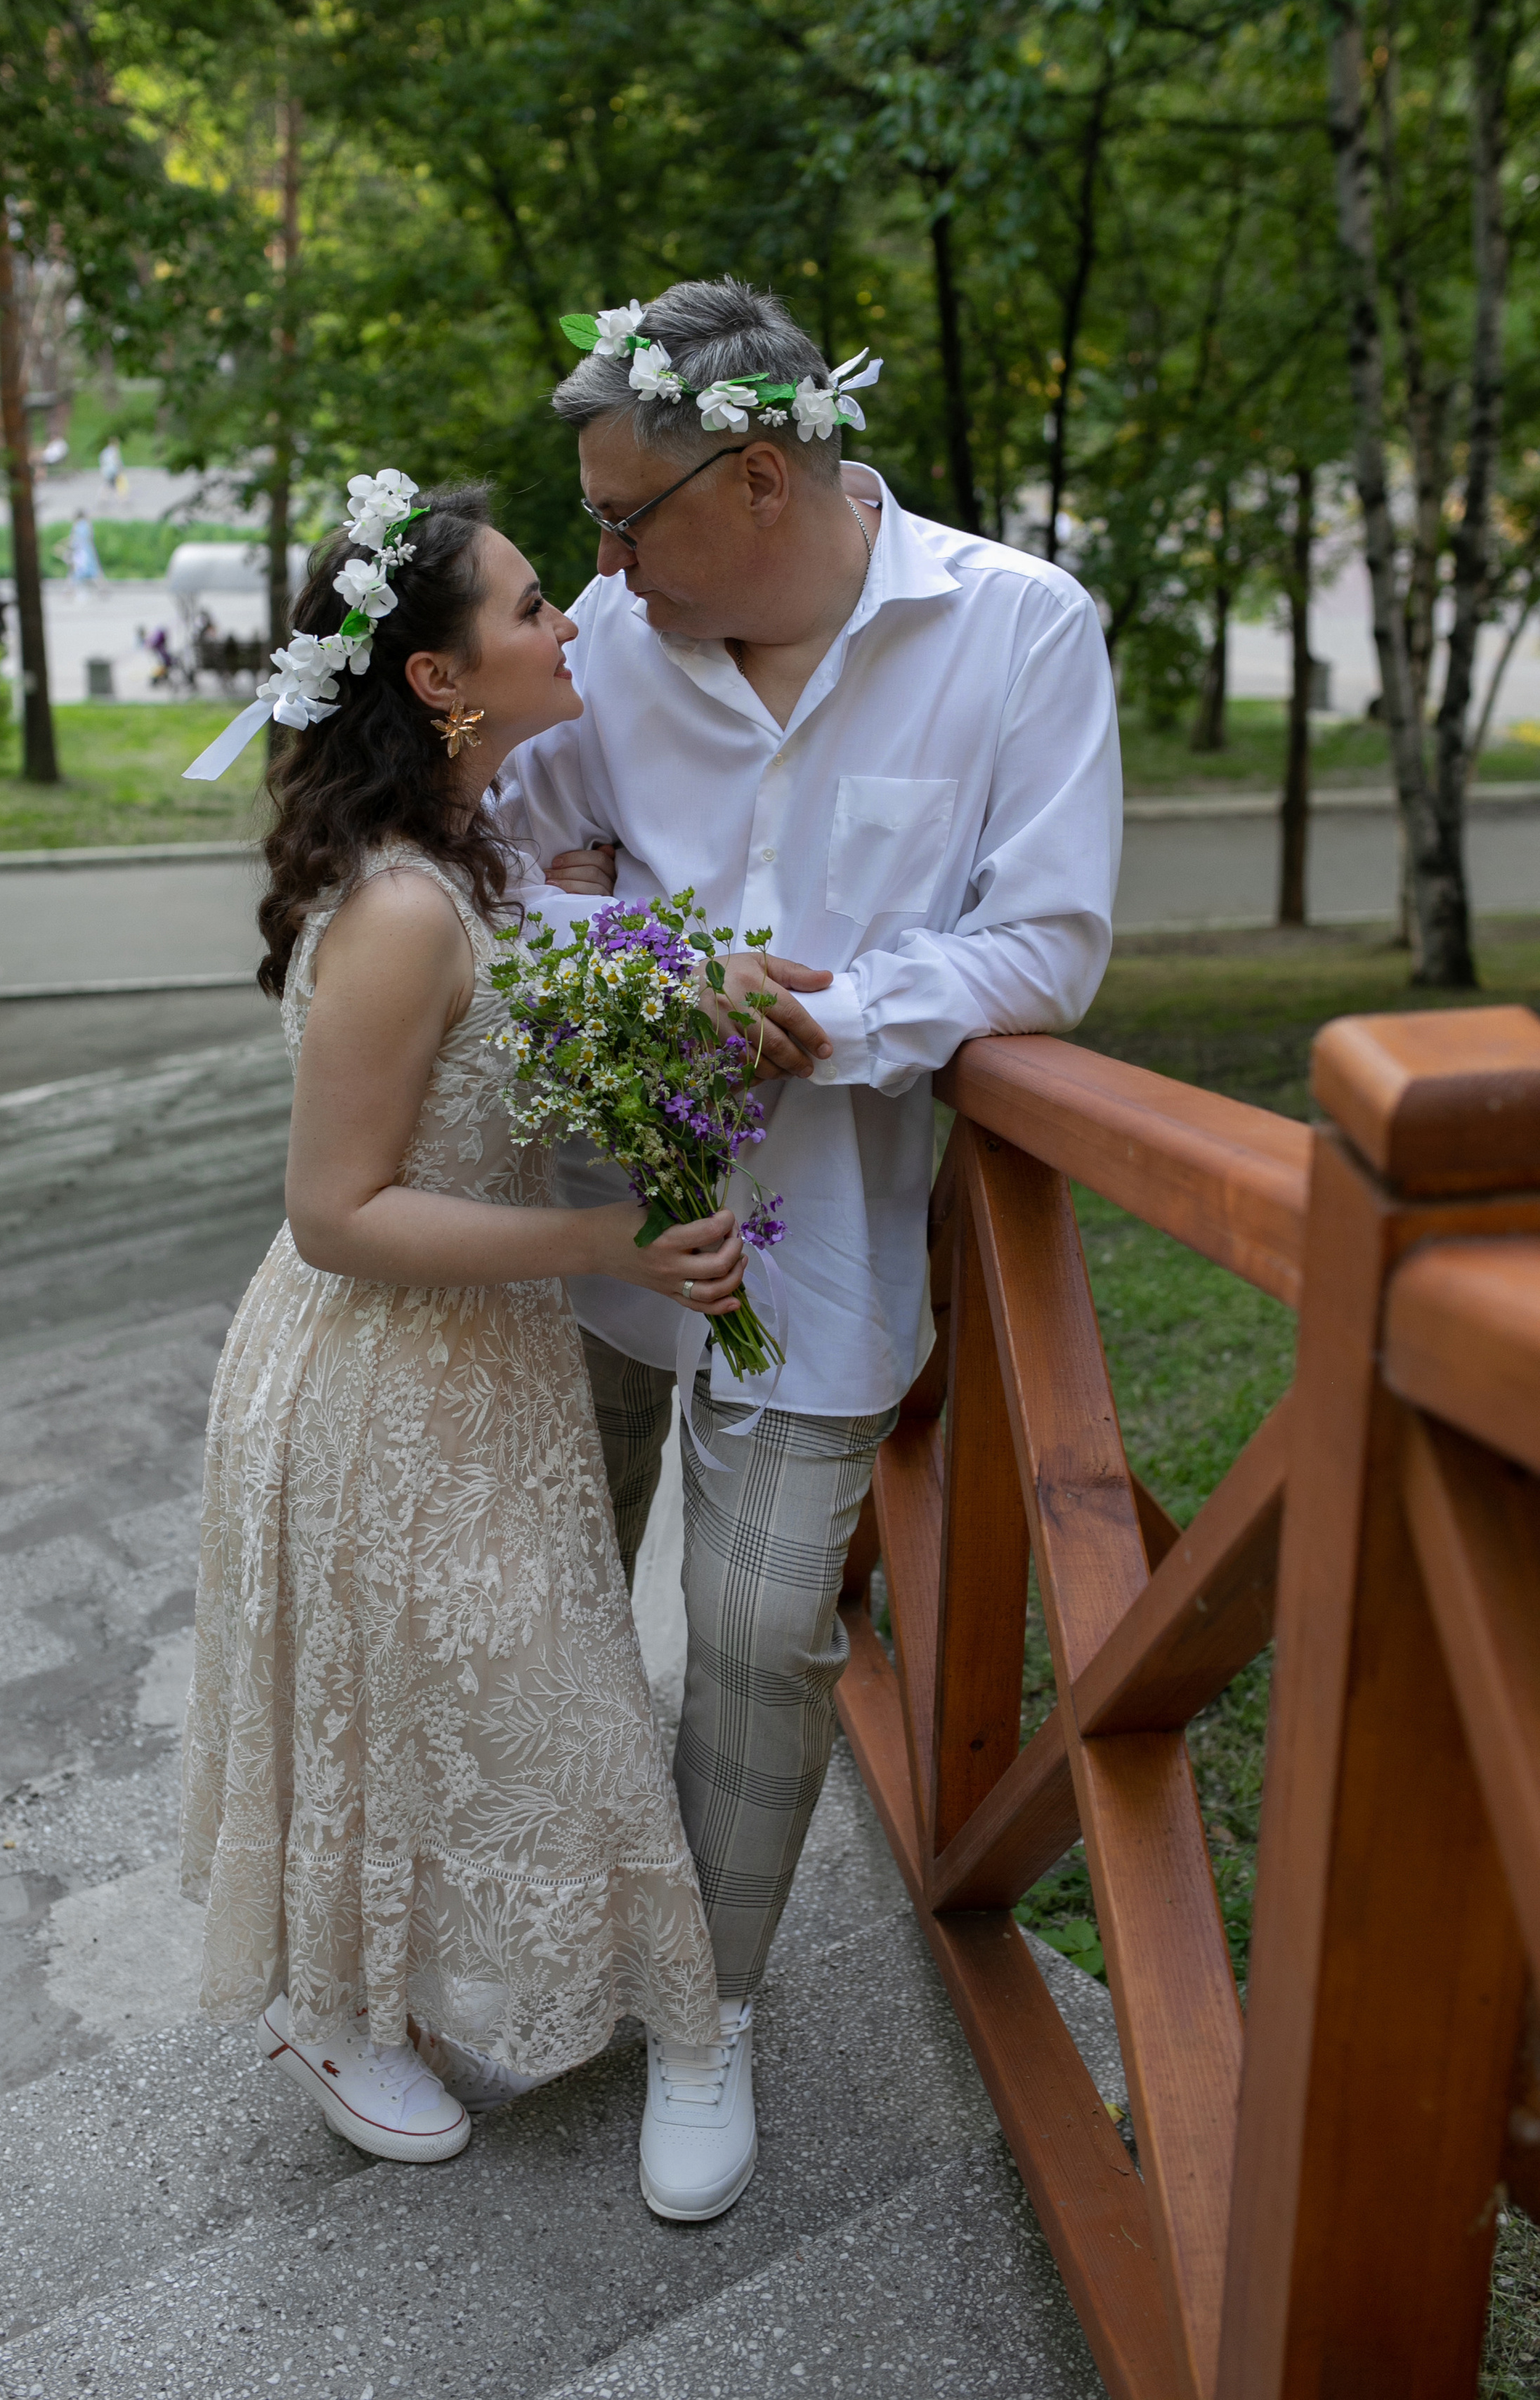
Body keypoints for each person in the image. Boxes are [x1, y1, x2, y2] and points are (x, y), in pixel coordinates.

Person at [499, 276, 1123, 2222]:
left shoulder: (1016, 628)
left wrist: (835, 1014)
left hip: (828, 1234)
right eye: (593, 532)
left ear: (758, 476)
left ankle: (711, 2012)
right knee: (550, 1585)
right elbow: (489, 862)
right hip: (593, 1217)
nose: (602, 566)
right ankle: (552, 1942)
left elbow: (1050, 943)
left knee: (764, 1632)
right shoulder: (616, 635)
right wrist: (634, 951)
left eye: (626, 519)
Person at [178, 474, 729, 2187]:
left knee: (485, 1694)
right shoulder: (406, 906)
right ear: (437, 678)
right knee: (427, 1698)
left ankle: (406, 1993)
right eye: (529, 605)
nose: (566, 621)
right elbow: (335, 1211)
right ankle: (337, 2012)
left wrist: (586, 921)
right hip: (376, 1373)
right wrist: (608, 1242)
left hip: (477, 1360)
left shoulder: (459, 860)